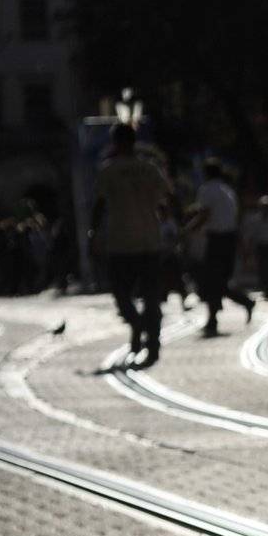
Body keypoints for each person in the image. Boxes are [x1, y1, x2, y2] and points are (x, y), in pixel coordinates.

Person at [90, 122, 171, 365]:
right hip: (149, 241)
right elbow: (165, 201)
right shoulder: (150, 168)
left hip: (121, 242)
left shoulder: (108, 170)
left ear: (115, 142)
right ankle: (152, 342)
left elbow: (100, 205)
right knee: (151, 296)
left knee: (121, 293)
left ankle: (138, 325)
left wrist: (93, 233)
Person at [187, 159, 254, 338]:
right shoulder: (227, 191)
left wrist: (186, 231)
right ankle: (241, 304)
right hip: (229, 240)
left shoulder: (207, 190)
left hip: (217, 240)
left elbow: (205, 215)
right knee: (218, 282)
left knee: (212, 281)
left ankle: (214, 318)